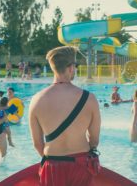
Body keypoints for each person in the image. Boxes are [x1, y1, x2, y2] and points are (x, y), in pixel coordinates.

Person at [29, 46, 101, 185]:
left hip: (52, 165)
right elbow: (94, 140)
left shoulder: (36, 100)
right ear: (71, 67)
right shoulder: (89, 99)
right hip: (81, 165)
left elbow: (38, 144)